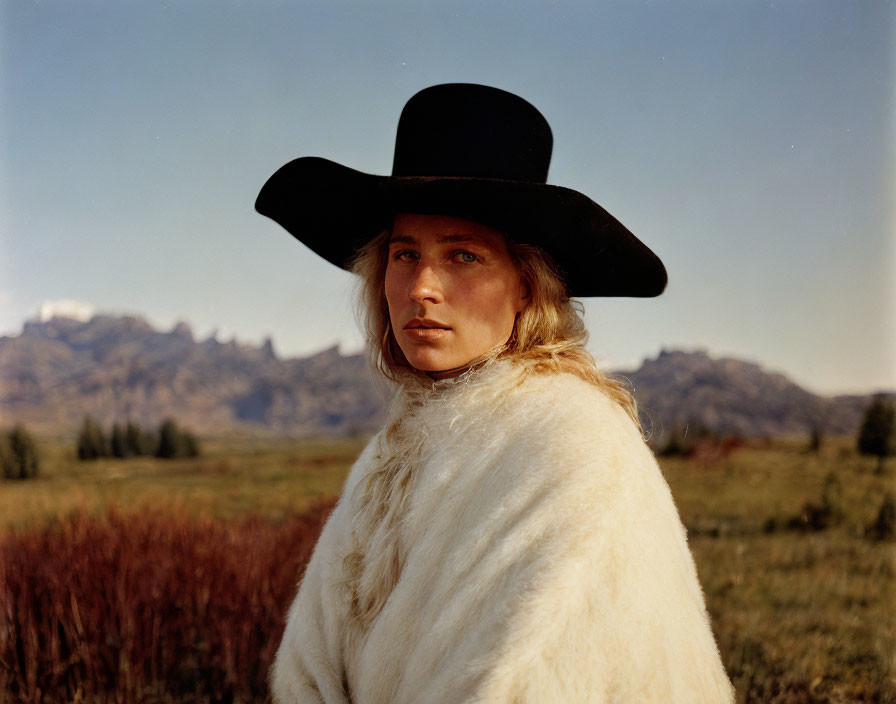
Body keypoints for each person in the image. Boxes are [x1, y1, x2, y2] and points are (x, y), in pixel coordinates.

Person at [256, 83, 734, 703]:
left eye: (463, 255)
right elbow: (309, 674)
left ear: (529, 288)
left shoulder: (574, 443)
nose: (422, 287)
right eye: (405, 254)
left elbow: (522, 682)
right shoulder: (390, 453)